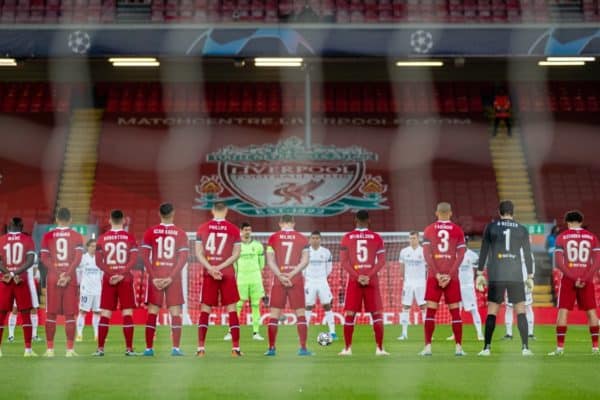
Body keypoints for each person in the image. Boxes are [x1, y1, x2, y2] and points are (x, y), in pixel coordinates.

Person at [476, 200, 534, 356]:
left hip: (497, 273)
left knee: (492, 311)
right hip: (515, 274)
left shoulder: (491, 227)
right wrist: (529, 275)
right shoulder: (522, 229)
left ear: (499, 212)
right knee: (520, 310)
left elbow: (484, 250)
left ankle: (486, 348)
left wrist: (480, 272)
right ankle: (525, 348)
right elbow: (527, 254)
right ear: (513, 212)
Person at [548, 210, 600, 356]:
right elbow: (597, 262)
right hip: (587, 279)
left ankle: (560, 348)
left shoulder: (562, 237)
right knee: (591, 312)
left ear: (568, 222)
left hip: (568, 279)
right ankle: (595, 347)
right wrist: (586, 278)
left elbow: (558, 262)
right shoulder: (592, 237)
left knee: (563, 311)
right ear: (581, 222)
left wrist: (573, 277)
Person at [338, 210, 389, 356]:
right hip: (371, 280)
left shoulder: (347, 237)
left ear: (355, 220)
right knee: (376, 314)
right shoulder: (377, 238)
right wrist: (368, 275)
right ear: (369, 220)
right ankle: (380, 349)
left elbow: (343, 261)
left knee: (350, 314)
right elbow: (381, 261)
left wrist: (357, 276)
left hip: (354, 281)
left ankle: (347, 349)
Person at [141, 203, 190, 356]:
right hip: (173, 278)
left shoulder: (150, 232)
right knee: (175, 312)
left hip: (155, 276)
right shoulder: (180, 233)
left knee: (152, 312)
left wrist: (154, 277)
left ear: (159, 214)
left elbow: (144, 256)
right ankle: (175, 348)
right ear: (173, 213)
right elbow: (183, 258)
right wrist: (171, 277)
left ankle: (149, 349)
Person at [195, 202, 243, 357]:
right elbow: (236, 254)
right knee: (232, 309)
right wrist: (221, 267)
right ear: (227, 211)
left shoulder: (202, 228)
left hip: (210, 273)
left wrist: (211, 268)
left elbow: (198, 253)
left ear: (212, 211)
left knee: (205, 309)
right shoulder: (234, 229)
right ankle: (235, 349)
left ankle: (201, 349)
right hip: (227, 272)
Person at [420, 202, 467, 356]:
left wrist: (438, 274)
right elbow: (461, 255)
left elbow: (427, 255)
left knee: (430, 313)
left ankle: (427, 348)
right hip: (452, 278)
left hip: (434, 277)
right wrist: (449, 274)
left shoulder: (429, 229)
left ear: (436, 213)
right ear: (450, 213)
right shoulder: (457, 230)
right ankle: (459, 348)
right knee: (455, 313)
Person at [264, 215, 311, 356]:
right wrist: (291, 275)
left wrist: (281, 275)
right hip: (295, 279)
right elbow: (305, 261)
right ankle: (303, 348)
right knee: (300, 314)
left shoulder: (273, 238)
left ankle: (272, 348)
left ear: (280, 223)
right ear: (293, 223)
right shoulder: (302, 238)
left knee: (274, 315)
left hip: (279, 280)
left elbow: (270, 261)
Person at [40, 208, 85, 357]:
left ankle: (50, 349)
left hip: (53, 277)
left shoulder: (48, 236)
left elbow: (44, 259)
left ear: (57, 219)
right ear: (70, 219)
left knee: (51, 315)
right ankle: (70, 350)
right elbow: (78, 258)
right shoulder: (77, 236)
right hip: (70, 277)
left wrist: (58, 273)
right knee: (70, 315)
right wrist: (66, 274)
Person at [94, 209, 139, 356]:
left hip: (108, 279)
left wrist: (111, 274)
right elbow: (133, 260)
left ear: (109, 220)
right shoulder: (129, 238)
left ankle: (100, 349)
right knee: (127, 312)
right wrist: (121, 273)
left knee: (105, 313)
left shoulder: (102, 238)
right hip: (125, 279)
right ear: (124, 220)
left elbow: (98, 261)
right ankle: (129, 348)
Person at [0, 217, 37, 357]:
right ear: (21, 227)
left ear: (9, 226)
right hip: (20, 280)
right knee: (26, 313)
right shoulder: (27, 239)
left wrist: (8, 273)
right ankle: (28, 350)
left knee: (1, 314)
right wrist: (16, 273)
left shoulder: (1, 239)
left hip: (5, 280)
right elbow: (30, 261)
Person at [224, 221, 266, 341]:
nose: (248, 232)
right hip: (241, 279)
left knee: (256, 305)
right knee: (237, 305)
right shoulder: (236, 246)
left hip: (255, 279)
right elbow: (234, 264)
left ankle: (256, 333)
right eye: (245, 230)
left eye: (249, 230)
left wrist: (256, 272)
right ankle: (231, 332)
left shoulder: (258, 246)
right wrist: (239, 274)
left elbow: (262, 264)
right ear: (241, 231)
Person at [447, 236, 484, 341]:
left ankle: (480, 333)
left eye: (464, 242)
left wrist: (477, 280)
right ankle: (454, 334)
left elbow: (478, 269)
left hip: (468, 287)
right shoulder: (453, 255)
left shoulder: (472, 255)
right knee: (455, 310)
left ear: (466, 243)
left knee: (473, 310)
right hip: (456, 286)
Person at [304, 231, 337, 340]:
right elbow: (302, 267)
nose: (315, 240)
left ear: (320, 239)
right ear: (310, 239)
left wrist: (322, 277)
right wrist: (308, 277)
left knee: (327, 305)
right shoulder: (305, 252)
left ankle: (332, 332)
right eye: (313, 238)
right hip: (310, 281)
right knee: (308, 305)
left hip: (322, 281)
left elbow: (329, 268)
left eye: (317, 238)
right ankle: (304, 331)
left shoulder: (326, 252)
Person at [398, 231, 427, 341]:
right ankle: (404, 333)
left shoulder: (424, 251)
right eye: (410, 238)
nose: (412, 240)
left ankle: (427, 334)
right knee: (405, 306)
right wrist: (404, 279)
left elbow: (429, 266)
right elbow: (402, 266)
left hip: (421, 283)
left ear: (418, 239)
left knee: (423, 306)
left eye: (414, 238)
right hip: (408, 283)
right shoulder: (404, 251)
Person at [504, 250, 536, 340]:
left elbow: (532, 266)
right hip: (511, 282)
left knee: (527, 307)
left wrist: (531, 278)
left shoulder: (527, 251)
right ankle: (509, 334)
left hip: (524, 283)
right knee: (510, 308)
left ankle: (530, 333)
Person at [76, 239, 103, 342]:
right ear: (87, 247)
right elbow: (78, 273)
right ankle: (79, 334)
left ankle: (97, 335)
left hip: (97, 289)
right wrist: (79, 286)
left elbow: (102, 274)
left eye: (95, 246)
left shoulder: (100, 259)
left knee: (97, 312)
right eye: (91, 246)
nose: (93, 248)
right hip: (86, 290)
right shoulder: (82, 259)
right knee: (82, 311)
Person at [7, 262, 41, 343]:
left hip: (30, 285)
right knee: (14, 309)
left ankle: (34, 335)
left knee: (33, 309)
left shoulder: (32, 255)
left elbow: (35, 272)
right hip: (17, 283)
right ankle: (11, 336)